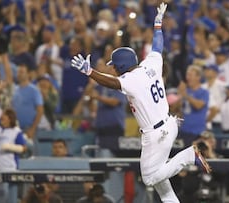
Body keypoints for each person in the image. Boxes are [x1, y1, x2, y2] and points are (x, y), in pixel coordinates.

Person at [71, 3, 211, 202]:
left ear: (121, 66)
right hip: (170, 124)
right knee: (162, 182)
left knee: (149, 177)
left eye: (114, 66)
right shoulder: (151, 63)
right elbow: (157, 45)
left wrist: (90, 72)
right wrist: (157, 24)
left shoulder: (131, 79)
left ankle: (189, 156)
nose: (113, 69)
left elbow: (111, 83)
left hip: (156, 134)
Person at [0, 91, 27, 203]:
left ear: (10, 118)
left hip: (9, 170)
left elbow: (24, 148)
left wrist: (10, 147)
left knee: (4, 197)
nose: (1, 117)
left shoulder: (15, 132)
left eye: (4, 116)